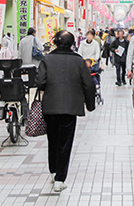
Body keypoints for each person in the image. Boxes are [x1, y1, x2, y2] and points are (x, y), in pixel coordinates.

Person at [37, 31, 95, 193]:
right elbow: (88, 84)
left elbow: (40, 82)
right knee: (65, 142)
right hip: (70, 108)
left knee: (53, 139)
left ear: (55, 42)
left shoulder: (47, 59)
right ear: (72, 44)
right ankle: (60, 179)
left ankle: (54, 171)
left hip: (50, 107)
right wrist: (90, 105)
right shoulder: (78, 61)